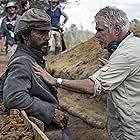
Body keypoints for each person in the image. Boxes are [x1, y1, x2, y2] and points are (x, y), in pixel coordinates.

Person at [33, 6, 140, 140]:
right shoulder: (133, 46)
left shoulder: (126, 54)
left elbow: (92, 86)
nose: (96, 35)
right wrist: (114, 70)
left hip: (131, 132)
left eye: (100, 30)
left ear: (117, 29)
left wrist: (55, 81)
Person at [2, 8, 72, 140]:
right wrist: (50, 112)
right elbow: (13, 97)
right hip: (45, 124)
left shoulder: (34, 57)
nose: (47, 38)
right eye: (41, 33)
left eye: (48, 32)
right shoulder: (22, 63)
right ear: (25, 35)